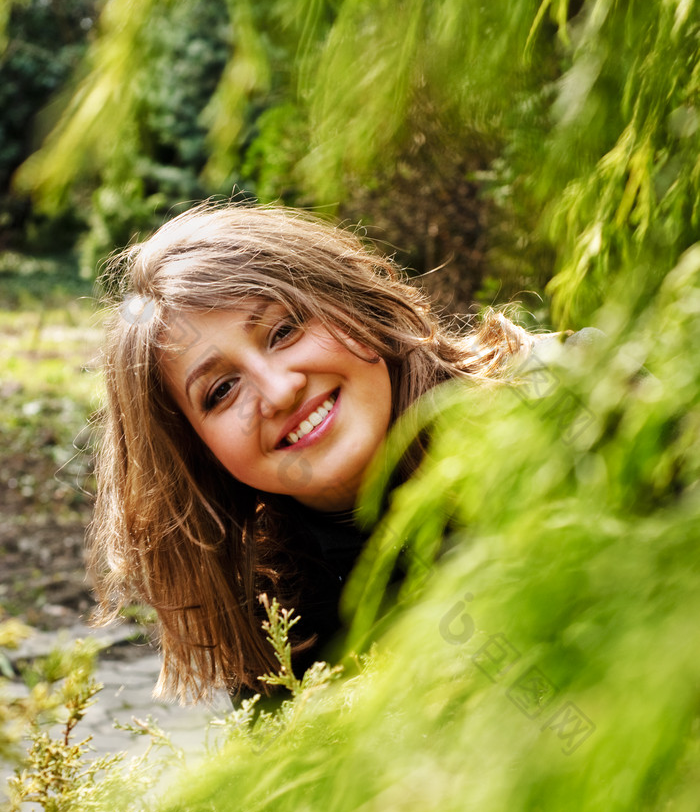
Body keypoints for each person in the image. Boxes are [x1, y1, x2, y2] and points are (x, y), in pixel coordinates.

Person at [89, 202, 542, 702]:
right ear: (197, 452)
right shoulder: (278, 631)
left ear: (351, 300)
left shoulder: (578, 405)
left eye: (284, 331)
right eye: (221, 390)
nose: (279, 392)